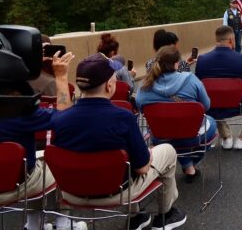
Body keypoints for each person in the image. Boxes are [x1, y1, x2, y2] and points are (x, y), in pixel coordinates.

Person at [52, 55, 186, 230]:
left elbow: (62, 107)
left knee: (122, 158)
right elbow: (143, 168)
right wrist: (149, 154)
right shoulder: (123, 117)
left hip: (72, 193)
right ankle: (165, 215)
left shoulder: (61, 120)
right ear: (109, 86)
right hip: (116, 193)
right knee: (167, 151)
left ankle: (137, 216)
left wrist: (61, 77)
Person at [0, 51, 82, 230]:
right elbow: (66, 117)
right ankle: (63, 223)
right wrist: (60, 76)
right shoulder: (20, 114)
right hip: (18, 185)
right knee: (56, 160)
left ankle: (34, 224)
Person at [136, 45, 217, 182]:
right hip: (193, 136)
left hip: (160, 137)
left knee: (174, 129)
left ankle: (187, 165)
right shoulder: (190, 79)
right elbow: (206, 105)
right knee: (209, 122)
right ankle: (190, 164)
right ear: (176, 64)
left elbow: (140, 108)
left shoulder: (144, 85)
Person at [195, 25, 242, 151]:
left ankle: (226, 138)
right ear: (231, 40)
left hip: (212, 106)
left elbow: (197, 87)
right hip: (239, 104)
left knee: (213, 97)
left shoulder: (202, 60)